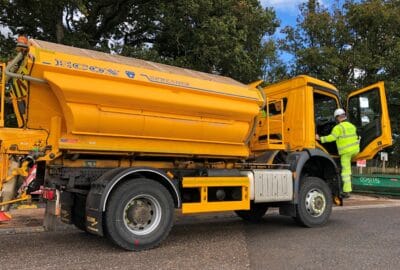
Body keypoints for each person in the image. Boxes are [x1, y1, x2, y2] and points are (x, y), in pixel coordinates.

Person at [316, 108, 360, 197]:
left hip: (346, 152)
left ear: (338, 118)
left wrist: (320, 138)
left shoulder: (338, 127)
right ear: (344, 116)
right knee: (349, 170)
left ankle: (346, 192)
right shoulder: (352, 126)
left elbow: (332, 138)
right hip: (355, 150)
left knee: (345, 172)